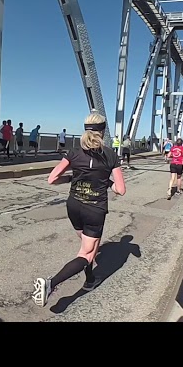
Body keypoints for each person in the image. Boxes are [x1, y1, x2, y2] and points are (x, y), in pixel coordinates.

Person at [32, 112, 126, 307]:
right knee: (87, 254)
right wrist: (107, 183)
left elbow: (52, 179)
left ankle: (90, 280)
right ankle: (50, 284)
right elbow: (121, 190)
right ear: (103, 131)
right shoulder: (110, 155)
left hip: (74, 205)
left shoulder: (74, 152)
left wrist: (71, 178)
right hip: (94, 209)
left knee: (89, 246)